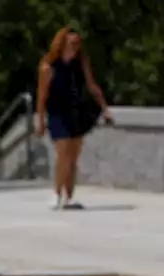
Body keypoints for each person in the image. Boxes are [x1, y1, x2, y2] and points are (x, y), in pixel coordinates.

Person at [35, 25, 114, 210]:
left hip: (77, 111)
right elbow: (42, 95)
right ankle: (56, 193)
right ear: (62, 42)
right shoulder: (48, 66)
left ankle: (69, 197)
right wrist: (40, 121)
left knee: (73, 156)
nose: (75, 46)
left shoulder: (81, 62)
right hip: (57, 112)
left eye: (78, 43)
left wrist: (104, 108)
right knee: (63, 154)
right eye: (72, 42)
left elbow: (92, 85)